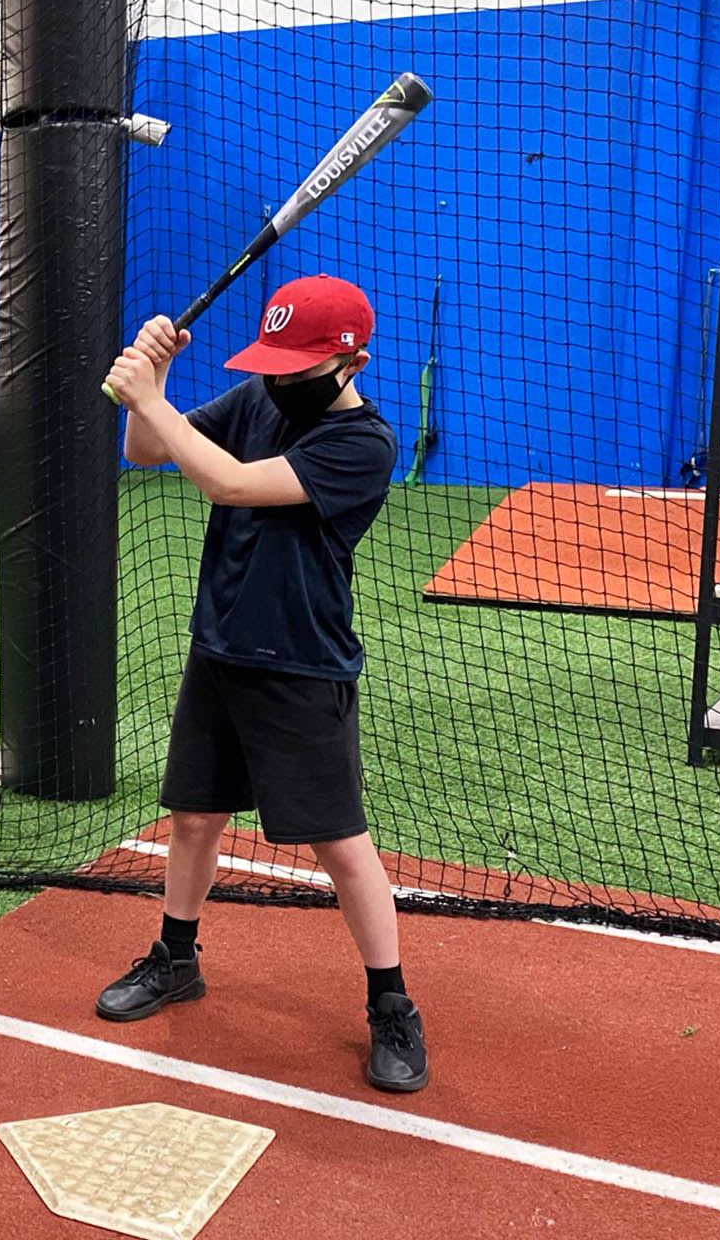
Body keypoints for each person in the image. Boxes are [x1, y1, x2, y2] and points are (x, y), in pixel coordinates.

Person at [94, 274, 428, 1093]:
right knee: (195, 818)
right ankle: (177, 957)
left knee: (341, 847)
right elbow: (145, 450)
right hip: (220, 650)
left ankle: (392, 1005)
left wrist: (154, 398)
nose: (280, 378)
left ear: (351, 362)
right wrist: (156, 389)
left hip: (303, 667)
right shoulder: (257, 399)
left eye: (297, 365)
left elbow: (233, 484)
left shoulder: (365, 445)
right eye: (273, 362)